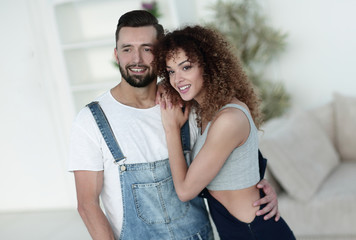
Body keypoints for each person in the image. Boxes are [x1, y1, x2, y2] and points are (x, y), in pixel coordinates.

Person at [68, 10, 280, 240]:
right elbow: (87, 205)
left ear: (161, 56)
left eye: (147, 49)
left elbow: (236, 152)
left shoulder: (186, 103)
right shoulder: (91, 120)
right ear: (116, 55)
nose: (137, 59)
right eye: (127, 49)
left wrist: (260, 188)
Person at [154, 25, 296, 240]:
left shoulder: (228, 118)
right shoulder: (208, 110)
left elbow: (185, 191)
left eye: (186, 67)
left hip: (254, 233)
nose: (177, 79)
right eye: (171, 71)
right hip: (239, 231)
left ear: (208, 65)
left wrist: (171, 129)